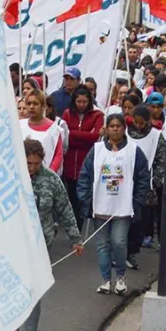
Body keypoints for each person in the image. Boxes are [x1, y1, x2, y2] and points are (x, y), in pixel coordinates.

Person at [0, 140, 83, 331]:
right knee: (16, 286)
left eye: (36, 163)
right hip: (14, 241)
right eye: (28, 163)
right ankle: (15, 327)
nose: (32, 167)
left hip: (41, 243)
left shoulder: (52, 180)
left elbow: (65, 208)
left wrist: (75, 237)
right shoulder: (10, 176)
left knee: (33, 288)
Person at [77, 111, 150, 296]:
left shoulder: (134, 151)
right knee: (102, 245)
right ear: (107, 129)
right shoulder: (97, 149)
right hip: (100, 206)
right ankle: (105, 280)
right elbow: (85, 174)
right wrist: (86, 198)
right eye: (111, 126)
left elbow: (143, 177)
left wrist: (137, 201)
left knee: (118, 242)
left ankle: (121, 276)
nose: (115, 129)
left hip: (123, 208)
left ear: (124, 128)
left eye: (118, 126)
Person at [127, 105, 165, 267]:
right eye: (136, 122)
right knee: (127, 220)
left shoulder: (157, 136)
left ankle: (133, 251)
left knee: (141, 222)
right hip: (127, 183)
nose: (139, 126)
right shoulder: (126, 133)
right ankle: (124, 252)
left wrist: (155, 182)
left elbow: (161, 161)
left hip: (147, 187)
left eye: (142, 123)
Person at [62, 86, 104, 226]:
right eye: (79, 101)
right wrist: (86, 136)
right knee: (71, 195)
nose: (81, 105)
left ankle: (80, 224)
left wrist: (74, 134)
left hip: (87, 161)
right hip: (69, 162)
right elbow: (64, 135)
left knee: (83, 196)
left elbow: (96, 136)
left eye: (84, 102)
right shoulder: (67, 114)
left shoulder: (98, 115)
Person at [21, 91, 63, 174]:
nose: (31, 107)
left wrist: (48, 174)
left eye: (35, 104)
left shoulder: (54, 129)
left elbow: (58, 155)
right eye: (29, 103)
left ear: (43, 106)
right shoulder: (19, 125)